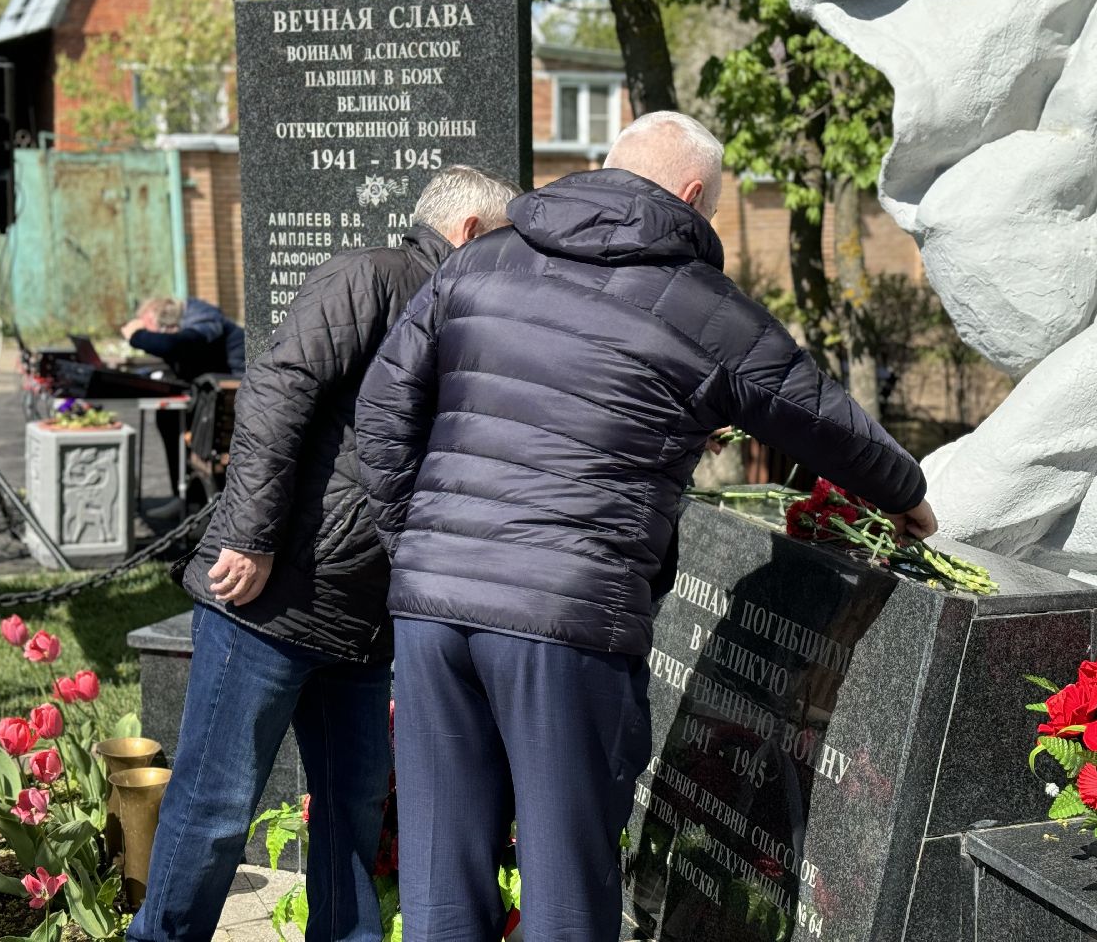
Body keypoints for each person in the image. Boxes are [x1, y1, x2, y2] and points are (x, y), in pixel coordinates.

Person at [354, 112, 938, 942]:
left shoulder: (477, 262)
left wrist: (416, 544)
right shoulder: (704, 309)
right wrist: (910, 494)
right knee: (565, 880)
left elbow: (380, 413)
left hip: (432, 609)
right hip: (567, 616)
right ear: (694, 196)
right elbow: (823, 418)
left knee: (442, 875)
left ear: (606, 165)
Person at [127, 165, 523, 942]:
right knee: (215, 806)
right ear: (470, 231)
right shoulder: (369, 277)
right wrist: (251, 535)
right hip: (273, 601)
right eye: (506, 243)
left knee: (353, 811)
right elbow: (278, 391)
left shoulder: (473, 313)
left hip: (366, 620)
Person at [121, 296, 246, 494]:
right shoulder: (190, 320)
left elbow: (178, 345)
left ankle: (189, 499)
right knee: (168, 416)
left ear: (166, 325)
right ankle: (184, 496)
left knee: (172, 418)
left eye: (152, 332)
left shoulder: (203, 319)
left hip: (234, 404)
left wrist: (137, 336)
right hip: (218, 399)